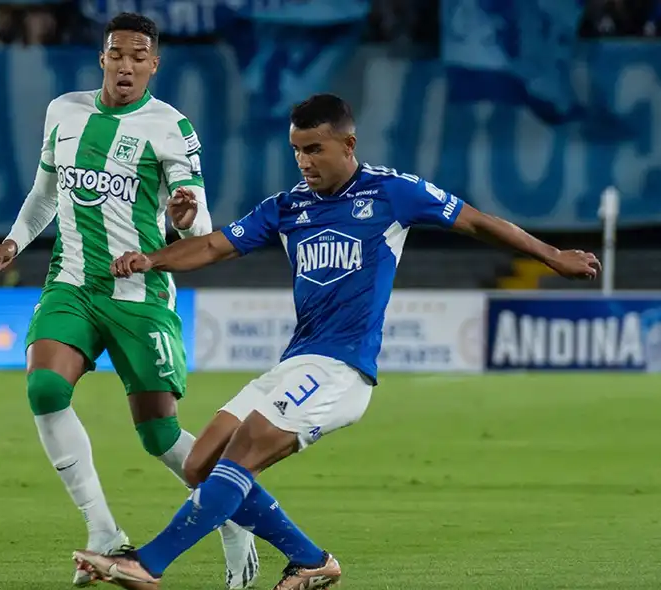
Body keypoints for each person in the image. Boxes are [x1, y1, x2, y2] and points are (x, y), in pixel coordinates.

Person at [74, 93, 601, 590]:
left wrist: (553, 256)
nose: (304, 161)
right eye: (297, 150)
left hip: (341, 368)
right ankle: (310, 561)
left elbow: (478, 222)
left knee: (245, 453)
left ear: (347, 145)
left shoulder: (393, 192)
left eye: (314, 149)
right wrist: (153, 257)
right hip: (297, 361)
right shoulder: (286, 207)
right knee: (201, 464)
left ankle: (148, 563)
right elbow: (214, 245)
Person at [0, 12, 258, 589]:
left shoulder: (171, 128)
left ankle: (233, 519)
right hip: (71, 282)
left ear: (154, 64)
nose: (126, 65)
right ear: (102, 58)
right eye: (116, 53)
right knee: (45, 388)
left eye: (138, 56)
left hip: (139, 293)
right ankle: (102, 532)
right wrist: (12, 242)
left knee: (159, 435)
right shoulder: (64, 112)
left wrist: (184, 216)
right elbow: (45, 192)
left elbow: (199, 221)